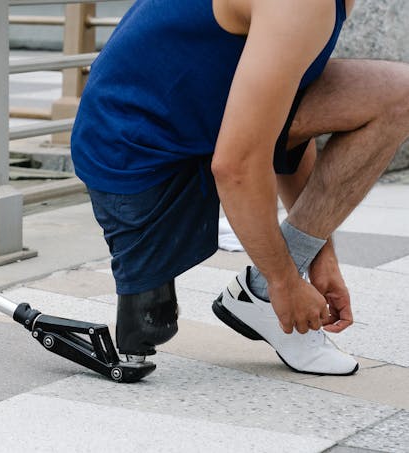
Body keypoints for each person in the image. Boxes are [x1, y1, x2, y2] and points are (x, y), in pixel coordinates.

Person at [70, 0, 409, 375]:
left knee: (399, 94)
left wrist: (317, 254)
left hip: (190, 113)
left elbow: (282, 107)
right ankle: (266, 292)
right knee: (152, 320)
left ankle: (259, 292)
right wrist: (284, 282)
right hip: (131, 146)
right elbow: (236, 166)